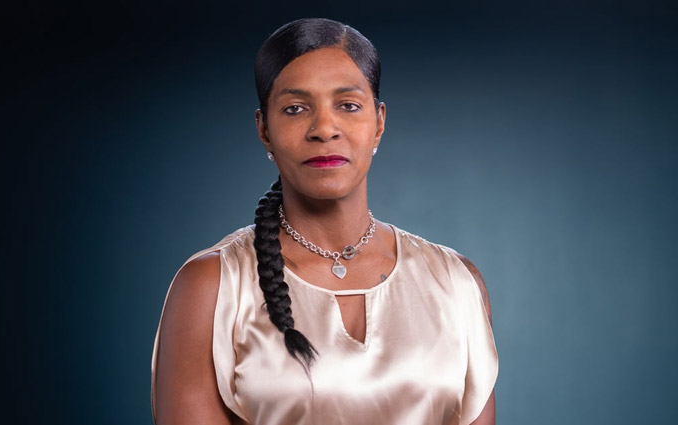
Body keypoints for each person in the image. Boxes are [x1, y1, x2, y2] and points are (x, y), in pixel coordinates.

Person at [151, 18, 498, 425]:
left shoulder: (455, 283)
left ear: (379, 123)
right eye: (296, 109)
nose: (324, 129)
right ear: (264, 130)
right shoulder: (211, 286)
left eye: (348, 105)